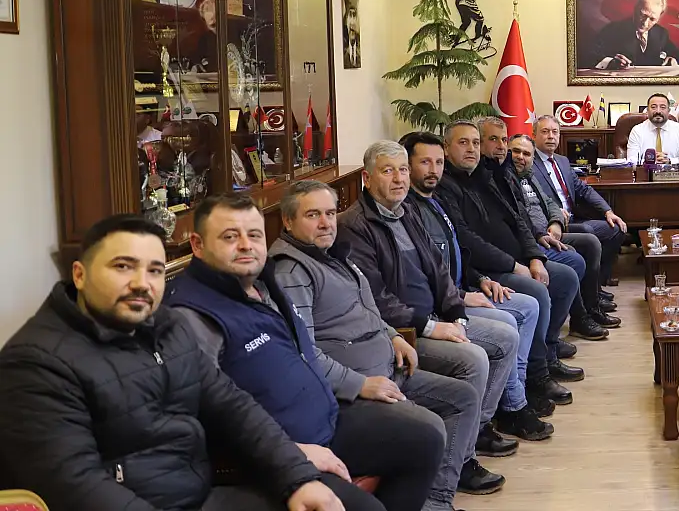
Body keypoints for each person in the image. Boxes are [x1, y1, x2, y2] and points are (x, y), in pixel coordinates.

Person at [0, 214, 344, 511]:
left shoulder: (166, 326)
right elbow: (74, 485)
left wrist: (295, 477)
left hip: (200, 494)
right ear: (79, 275)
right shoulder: (35, 363)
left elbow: (232, 407)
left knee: (339, 499)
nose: (141, 284)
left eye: (154, 270)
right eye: (123, 266)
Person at [167, 194, 447, 511]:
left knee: (424, 439)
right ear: (197, 244)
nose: (246, 245)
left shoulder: (264, 282)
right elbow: (202, 416)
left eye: (254, 235)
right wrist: (293, 451)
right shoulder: (192, 316)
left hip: (326, 418)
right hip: (272, 453)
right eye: (230, 237)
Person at [336, 140, 510, 498]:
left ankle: (468, 439)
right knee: (474, 358)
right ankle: (458, 466)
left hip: (435, 316)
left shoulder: (407, 211)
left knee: (505, 337)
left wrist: (457, 314)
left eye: (402, 170)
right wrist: (431, 326)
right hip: (404, 332)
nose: (399, 179)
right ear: (367, 178)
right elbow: (376, 298)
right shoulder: (354, 225)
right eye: (388, 171)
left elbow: (438, 268)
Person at [402, 131, 578, 415]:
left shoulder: (484, 178)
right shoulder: (421, 203)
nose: (433, 169)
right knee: (528, 303)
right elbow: (460, 247)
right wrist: (471, 288)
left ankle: (535, 370)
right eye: (425, 162)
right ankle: (519, 396)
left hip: (478, 277)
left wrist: (532, 254)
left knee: (559, 278)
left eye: (437, 162)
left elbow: (516, 220)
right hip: (457, 294)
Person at [505, 133, 619, 335]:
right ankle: (580, 318)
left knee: (593, 240)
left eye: (526, 153)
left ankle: (592, 306)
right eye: (516, 151)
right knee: (578, 252)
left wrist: (556, 222)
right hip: (533, 240)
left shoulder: (530, 174)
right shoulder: (506, 179)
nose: (521, 157)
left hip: (550, 231)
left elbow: (550, 203)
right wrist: (540, 234)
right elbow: (520, 219)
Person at [531, 115, 629, 289]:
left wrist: (608, 211)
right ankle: (591, 292)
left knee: (616, 228)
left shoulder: (562, 161)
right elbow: (530, 199)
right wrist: (555, 214)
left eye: (555, 132)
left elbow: (584, 189)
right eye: (545, 132)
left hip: (574, 218)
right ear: (534, 135)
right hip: (552, 224)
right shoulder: (529, 162)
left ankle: (598, 284)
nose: (551, 136)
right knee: (587, 232)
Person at [591, 0, 679, 69]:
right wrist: (611, 62)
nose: (645, 23)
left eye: (652, 19)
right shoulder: (612, 30)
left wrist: (673, 60)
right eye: (642, 15)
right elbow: (590, 56)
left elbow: (678, 56)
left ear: (659, 17)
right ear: (635, 9)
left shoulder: (661, 33)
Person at [625, 93, 679, 166]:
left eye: (663, 107)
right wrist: (650, 161)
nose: (658, 111)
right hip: (646, 172)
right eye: (653, 107)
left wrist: (669, 161)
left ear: (668, 111)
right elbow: (631, 161)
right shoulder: (637, 131)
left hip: (672, 172)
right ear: (647, 110)